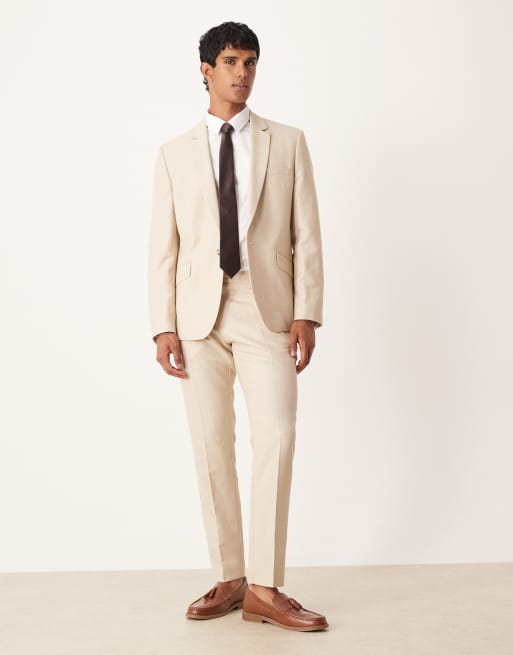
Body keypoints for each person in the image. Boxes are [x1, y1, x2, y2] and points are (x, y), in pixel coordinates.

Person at [147, 21, 328, 632]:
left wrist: (307, 311)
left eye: (250, 62)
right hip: (196, 315)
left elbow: (307, 233)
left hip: (265, 305)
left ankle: (265, 587)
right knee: (211, 447)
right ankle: (230, 578)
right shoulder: (173, 153)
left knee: (276, 434)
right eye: (230, 62)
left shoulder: (288, 142)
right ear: (206, 70)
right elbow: (163, 247)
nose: (242, 73)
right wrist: (162, 326)